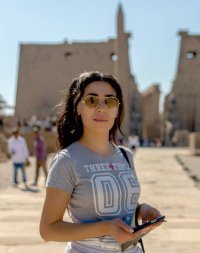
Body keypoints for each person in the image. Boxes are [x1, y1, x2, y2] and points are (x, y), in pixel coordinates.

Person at [40, 71, 162, 253]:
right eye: (91, 100)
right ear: (78, 108)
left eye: (110, 101)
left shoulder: (125, 155)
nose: (102, 108)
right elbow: (48, 230)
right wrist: (105, 228)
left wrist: (141, 209)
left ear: (117, 110)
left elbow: (115, 203)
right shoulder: (67, 161)